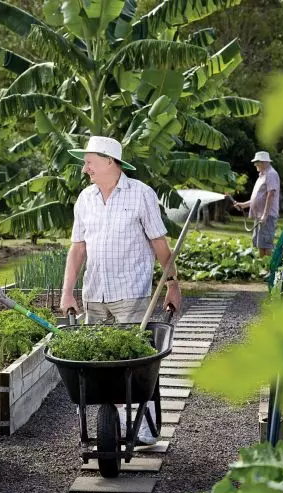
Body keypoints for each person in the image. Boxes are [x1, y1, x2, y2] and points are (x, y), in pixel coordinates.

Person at [60, 136, 182, 445]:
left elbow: (159, 245)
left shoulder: (141, 194)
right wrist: (68, 290)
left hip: (131, 292)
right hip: (94, 294)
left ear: (109, 162)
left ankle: (146, 427)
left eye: (89, 161)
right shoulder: (85, 199)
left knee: (139, 364)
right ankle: (107, 424)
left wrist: (172, 285)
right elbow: (77, 249)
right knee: (97, 365)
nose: (85, 167)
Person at [233, 150, 280, 257]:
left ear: (263, 162)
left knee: (266, 245)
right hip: (260, 215)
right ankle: (262, 268)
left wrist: (265, 215)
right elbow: (259, 197)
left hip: (266, 216)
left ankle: (267, 270)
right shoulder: (262, 175)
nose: (255, 165)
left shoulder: (271, 174)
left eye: (256, 162)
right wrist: (244, 204)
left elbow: (270, 195)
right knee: (260, 244)